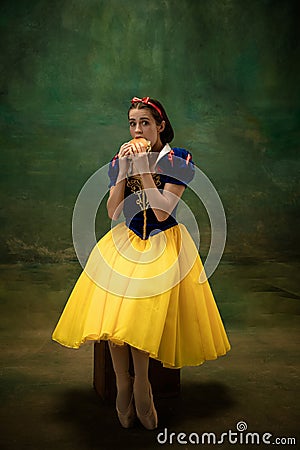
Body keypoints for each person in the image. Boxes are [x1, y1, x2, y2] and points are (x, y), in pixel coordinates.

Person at [52, 96, 231, 430]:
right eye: (132, 123)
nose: (137, 129)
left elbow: (163, 211)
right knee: (116, 317)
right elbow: (113, 212)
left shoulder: (177, 158)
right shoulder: (121, 159)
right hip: (127, 241)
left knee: (138, 314)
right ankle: (122, 384)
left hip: (165, 243)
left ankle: (141, 384)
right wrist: (123, 172)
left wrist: (145, 171)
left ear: (161, 126)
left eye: (145, 122)